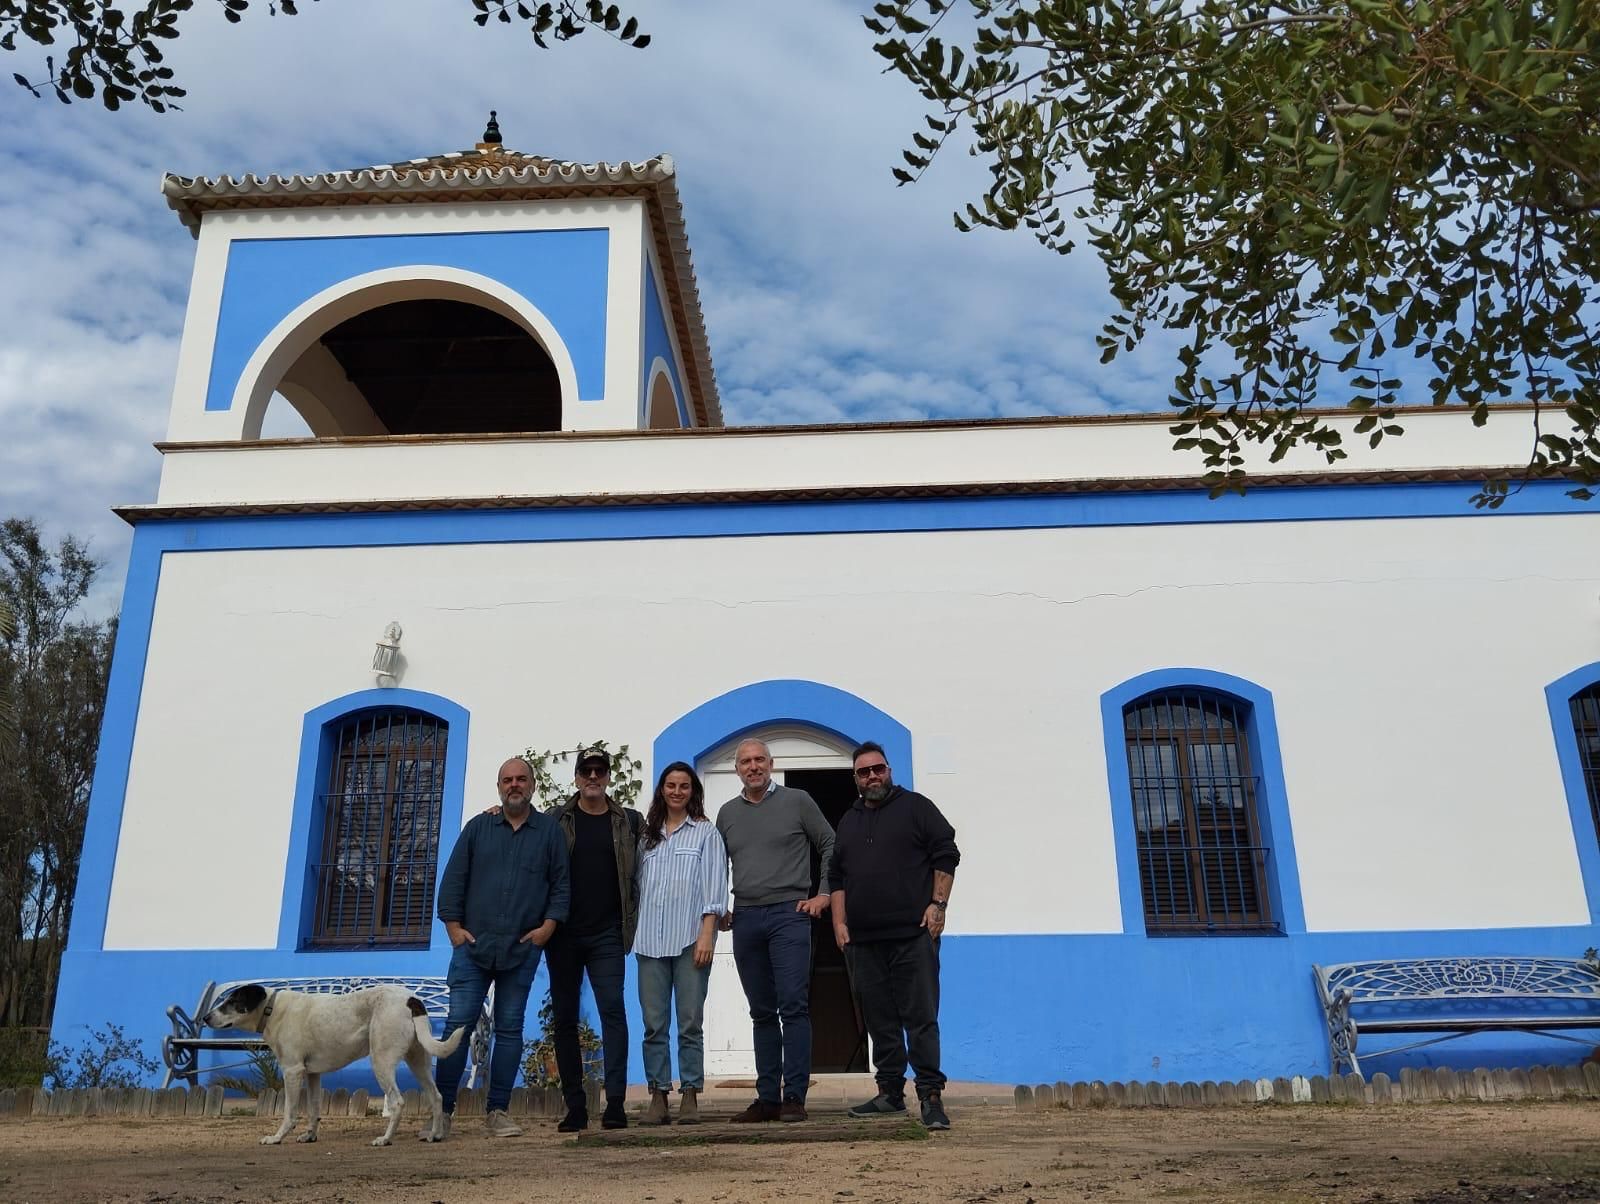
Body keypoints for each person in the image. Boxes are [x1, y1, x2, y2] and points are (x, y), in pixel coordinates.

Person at [434, 756, 570, 1139]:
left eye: (521, 779)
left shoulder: (549, 833)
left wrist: (546, 928)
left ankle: (497, 1111)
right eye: (507, 780)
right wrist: (454, 929)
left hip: (520, 951)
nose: (514, 785)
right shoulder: (478, 828)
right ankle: (441, 1112)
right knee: (457, 1029)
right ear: (499, 787)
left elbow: (561, 886)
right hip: (472, 950)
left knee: (509, 1031)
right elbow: (453, 881)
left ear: (532, 785)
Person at [831, 741, 960, 1131]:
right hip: (865, 941)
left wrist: (938, 905)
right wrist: (839, 923)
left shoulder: (916, 807)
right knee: (879, 1020)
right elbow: (837, 876)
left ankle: (931, 1097)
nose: (872, 776)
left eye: (878, 769)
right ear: (855, 778)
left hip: (913, 935)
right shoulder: (849, 820)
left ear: (889, 770)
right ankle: (889, 1093)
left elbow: (946, 853)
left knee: (920, 1017)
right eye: (864, 771)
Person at [715, 737, 834, 1123]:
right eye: (746, 762)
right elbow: (717, 866)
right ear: (737, 769)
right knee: (761, 1011)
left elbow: (831, 844)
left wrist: (824, 894)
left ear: (771, 763)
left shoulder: (798, 801)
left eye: (759, 760)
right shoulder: (727, 813)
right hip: (747, 917)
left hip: (790, 914)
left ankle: (794, 1097)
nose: (753, 767)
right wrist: (721, 907)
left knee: (793, 1007)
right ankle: (767, 1098)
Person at [548, 746, 641, 1132]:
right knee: (565, 1019)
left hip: (607, 933)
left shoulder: (628, 822)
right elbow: (518, 828)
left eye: (599, 771)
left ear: (607, 777)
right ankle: (575, 1107)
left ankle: (615, 1103)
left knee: (613, 1014)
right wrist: (493, 812)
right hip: (564, 935)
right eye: (585, 771)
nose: (592, 777)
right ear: (576, 778)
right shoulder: (555, 820)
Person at [634, 761, 728, 1126]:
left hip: (691, 941)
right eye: (670, 785)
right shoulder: (647, 837)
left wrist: (708, 932)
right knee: (653, 1024)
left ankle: (690, 1093)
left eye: (684, 786)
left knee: (690, 1022)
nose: (677, 791)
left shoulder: (706, 833)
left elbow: (714, 886)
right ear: (662, 790)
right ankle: (658, 1094)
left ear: (693, 791)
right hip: (649, 943)